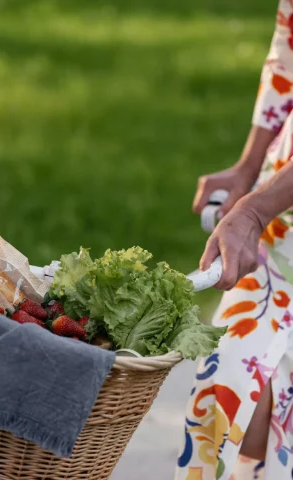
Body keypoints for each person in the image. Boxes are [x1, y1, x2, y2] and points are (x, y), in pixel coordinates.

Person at [175, 2, 293, 479]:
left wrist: (254, 209)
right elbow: (286, 56)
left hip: (269, 207)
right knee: (233, 386)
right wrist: (250, 169)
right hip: (280, 200)